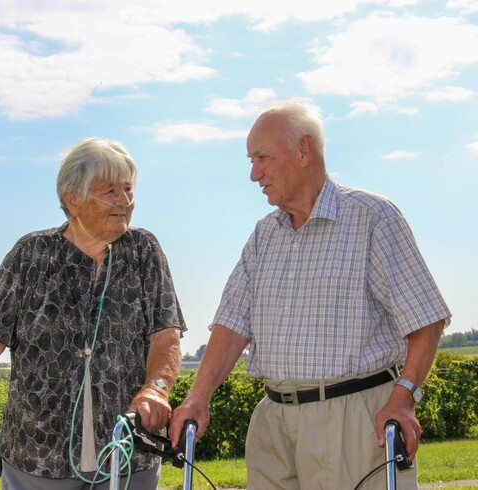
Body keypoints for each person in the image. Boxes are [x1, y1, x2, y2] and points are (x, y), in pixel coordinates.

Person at [169, 99, 451, 489]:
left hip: (353, 421)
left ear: (303, 150)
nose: (254, 173)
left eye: (262, 157)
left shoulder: (373, 218)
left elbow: (426, 318)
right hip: (273, 424)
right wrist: (197, 396)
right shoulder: (263, 235)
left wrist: (404, 395)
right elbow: (232, 323)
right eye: (251, 161)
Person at [0, 137, 186, 489]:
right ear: (72, 199)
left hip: (128, 451)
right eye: (110, 191)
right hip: (39, 454)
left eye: (128, 189)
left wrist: (156, 388)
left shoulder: (144, 251)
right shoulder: (31, 255)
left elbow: (166, 332)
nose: (124, 201)